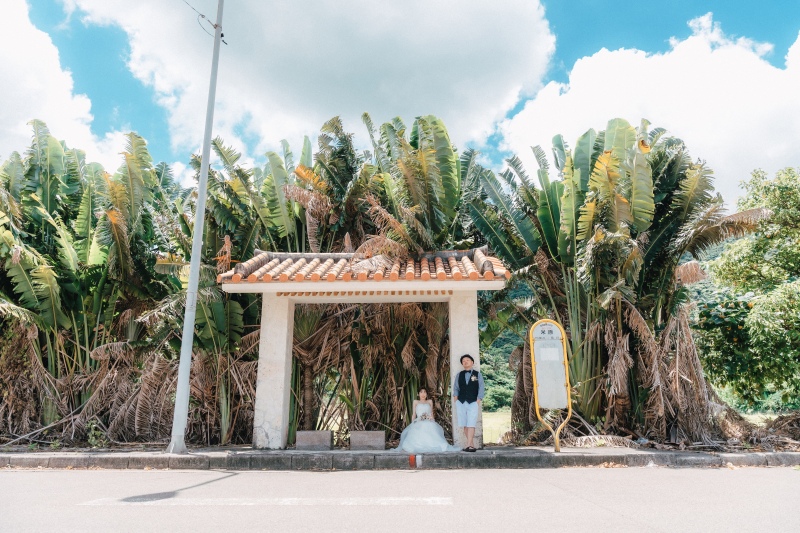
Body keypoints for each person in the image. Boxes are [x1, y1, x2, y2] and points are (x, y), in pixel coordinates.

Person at [394, 388, 459, 453]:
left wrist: (431, 419)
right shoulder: (415, 402)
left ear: (426, 394)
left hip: (428, 421)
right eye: (421, 392)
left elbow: (431, 414)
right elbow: (413, 414)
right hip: (419, 421)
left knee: (431, 428)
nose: (423, 394)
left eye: (424, 392)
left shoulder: (429, 401)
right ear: (418, 394)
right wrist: (412, 424)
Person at [452, 354, 484, 452]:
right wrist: (456, 400)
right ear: (462, 364)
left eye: (467, 360)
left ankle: (468, 444)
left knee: (471, 423)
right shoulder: (459, 375)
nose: (465, 362)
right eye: (463, 361)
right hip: (461, 402)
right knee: (464, 424)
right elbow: (456, 388)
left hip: (473, 402)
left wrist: (478, 400)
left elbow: (481, 388)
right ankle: (471, 445)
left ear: (472, 362)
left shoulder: (477, 374)